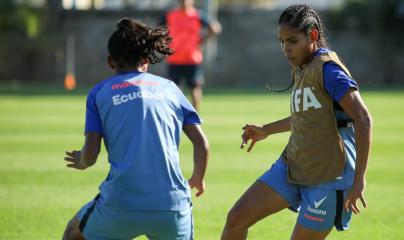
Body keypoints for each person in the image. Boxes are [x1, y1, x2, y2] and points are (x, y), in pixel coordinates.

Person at [221, 4, 373, 240]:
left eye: (292, 41)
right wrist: (266, 130)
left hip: (328, 177)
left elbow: (363, 119)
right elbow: (309, 116)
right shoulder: (302, 67)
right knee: (236, 219)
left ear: (312, 35)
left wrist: (359, 180)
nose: (286, 49)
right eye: (281, 42)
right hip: (293, 166)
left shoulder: (329, 70)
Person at [62, 18, 209, 240]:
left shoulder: (99, 93)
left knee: (73, 233)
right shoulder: (170, 88)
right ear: (146, 60)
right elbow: (202, 144)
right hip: (172, 206)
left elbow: (90, 156)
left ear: (111, 62)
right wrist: (198, 177)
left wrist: (81, 161)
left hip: (119, 207)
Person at [161, 0, 222, 111]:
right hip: (175, 58)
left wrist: (201, 41)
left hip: (192, 58)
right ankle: (175, 112)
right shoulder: (170, 15)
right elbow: (158, 30)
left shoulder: (197, 15)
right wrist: (165, 43)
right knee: (174, 89)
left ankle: (195, 115)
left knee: (195, 87)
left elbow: (215, 28)